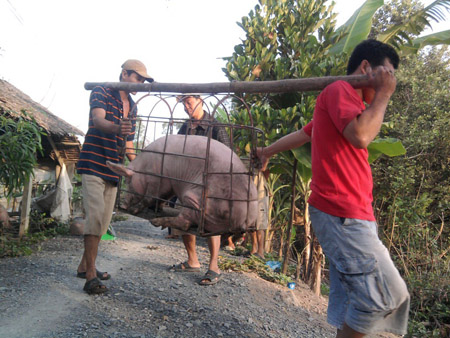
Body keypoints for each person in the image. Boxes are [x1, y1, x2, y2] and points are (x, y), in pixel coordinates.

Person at [256, 40, 410, 337]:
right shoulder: (340, 90)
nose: (387, 82)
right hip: (342, 214)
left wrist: (266, 151)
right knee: (384, 297)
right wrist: (385, 95)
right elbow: (361, 136)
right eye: (386, 73)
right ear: (366, 67)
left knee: (357, 300)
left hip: (352, 214)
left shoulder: (347, 105)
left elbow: (303, 135)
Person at [76, 59, 153, 294]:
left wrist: (137, 167)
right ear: (124, 74)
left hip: (114, 169)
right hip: (93, 162)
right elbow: (98, 120)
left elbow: (128, 142)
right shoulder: (102, 91)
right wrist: (116, 128)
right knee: (96, 218)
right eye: (137, 78)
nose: (139, 83)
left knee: (103, 222)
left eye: (143, 81)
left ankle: (83, 266)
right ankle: (90, 276)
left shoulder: (132, 105)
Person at [170, 94, 231, 285]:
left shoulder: (215, 126)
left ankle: (214, 266)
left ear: (200, 101)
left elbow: (226, 154)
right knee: (184, 218)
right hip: (187, 181)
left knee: (211, 222)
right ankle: (192, 260)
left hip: (209, 181)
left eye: (189, 102)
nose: (186, 107)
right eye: (184, 104)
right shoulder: (185, 127)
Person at [248, 169, 269, 259]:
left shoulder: (262, 164)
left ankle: (261, 252)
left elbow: (266, 171)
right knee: (251, 222)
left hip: (260, 192)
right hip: (250, 192)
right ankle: (254, 248)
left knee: (260, 223)